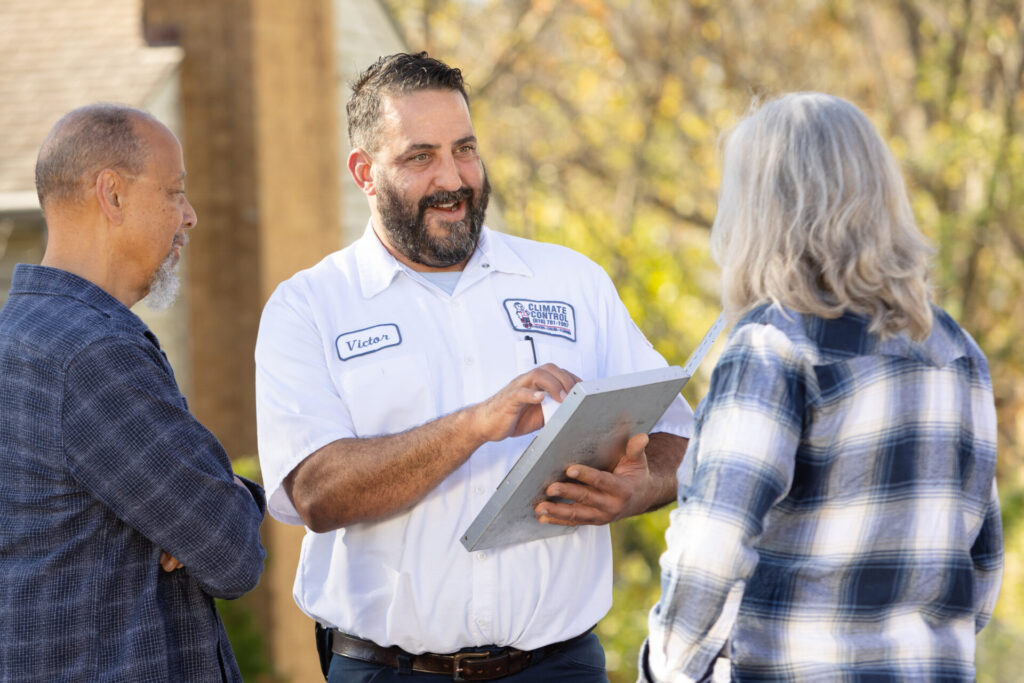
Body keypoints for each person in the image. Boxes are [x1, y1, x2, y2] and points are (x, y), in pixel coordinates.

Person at [255, 52, 693, 682]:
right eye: (419, 157)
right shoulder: (310, 307)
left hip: (559, 666)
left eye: (464, 150)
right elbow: (316, 494)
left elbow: (684, 437)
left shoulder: (571, 281)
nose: (453, 178)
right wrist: (475, 426)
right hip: (389, 671)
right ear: (364, 173)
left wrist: (638, 488)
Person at [641, 93, 1003, 682]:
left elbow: (712, 549)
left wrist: (665, 669)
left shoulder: (771, 345)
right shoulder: (956, 350)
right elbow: (980, 566)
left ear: (760, 209)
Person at [0, 104, 267, 682]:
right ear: (112, 195)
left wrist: (178, 519)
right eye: (174, 192)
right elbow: (230, 553)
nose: (189, 217)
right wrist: (208, 513)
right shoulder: (93, 353)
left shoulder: (18, 334)